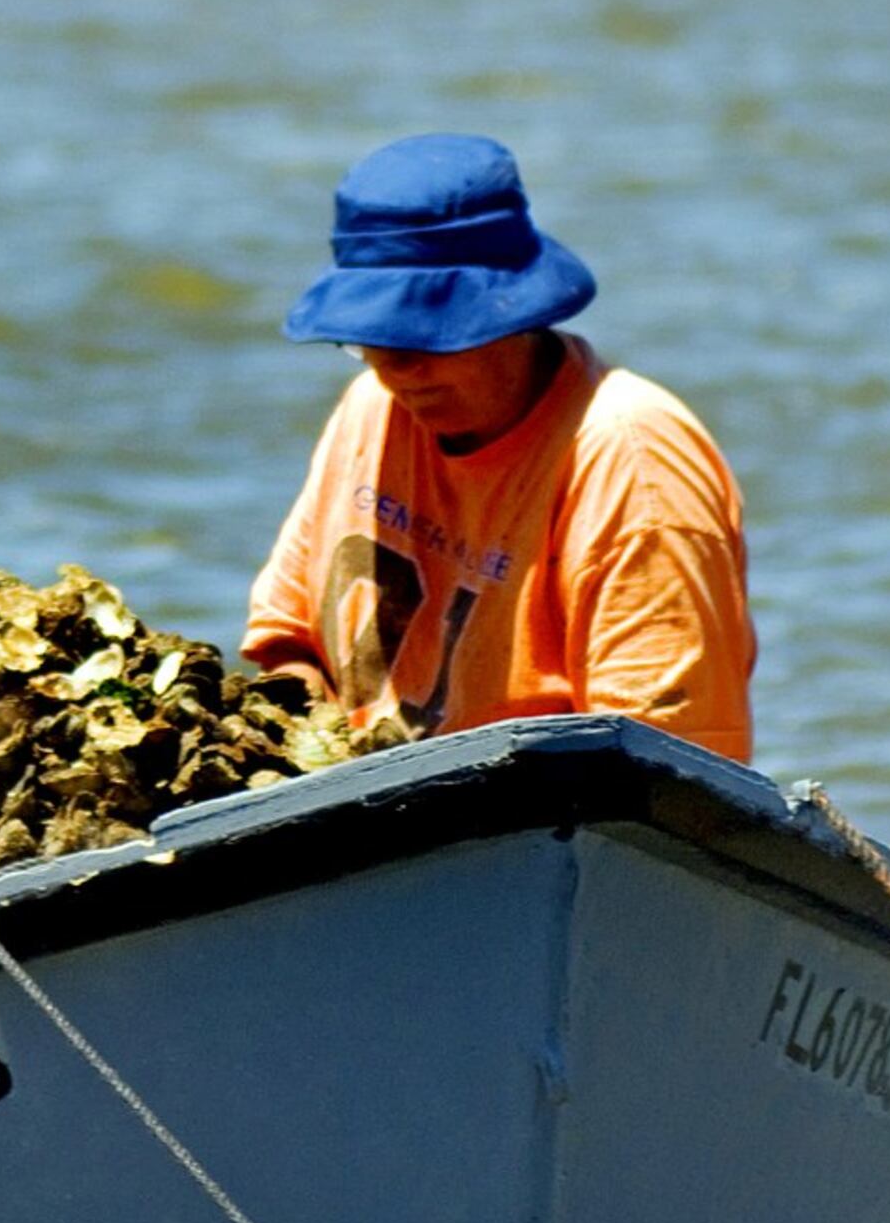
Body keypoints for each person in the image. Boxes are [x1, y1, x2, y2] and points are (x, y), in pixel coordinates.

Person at [241, 133, 755, 762]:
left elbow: (665, 774)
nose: (396, 370)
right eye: (371, 338)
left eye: (423, 339)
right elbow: (288, 643)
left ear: (513, 316)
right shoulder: (372, 408)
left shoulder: (632, 463)